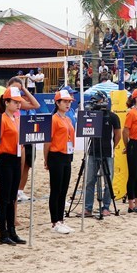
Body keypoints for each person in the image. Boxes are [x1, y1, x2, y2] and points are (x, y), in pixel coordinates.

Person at [0, 87, 27, 245]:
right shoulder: (2, 120)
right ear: (6, 102)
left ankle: (11, 230)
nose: (18, 105)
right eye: (15, 102)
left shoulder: (17, 119)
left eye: (19, 102)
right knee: (4, 198)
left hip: (16, 158)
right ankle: (2, 232)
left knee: (12, 197)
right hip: (5, 158)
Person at [83, 91, 122, 217]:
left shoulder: (112, 116)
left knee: (108, 181)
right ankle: (88, 208)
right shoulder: (92, 115)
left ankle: (106, 207)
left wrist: (112, 147)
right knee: (89, 180)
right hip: (92, 151)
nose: (95, 103)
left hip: (107, 152)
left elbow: (118, 135)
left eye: (98, 100)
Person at [44, 89, 76, 233]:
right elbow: (48, 142)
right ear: (57, 103)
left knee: (63, 190)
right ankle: (54, 222)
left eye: (69, 101)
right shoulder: (54, 119)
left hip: (66, 156)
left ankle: (61, 220)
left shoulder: (68, 119)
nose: (68, 104)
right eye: (65, 101)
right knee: (56, 190)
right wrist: (46, 159)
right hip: (55, 155)